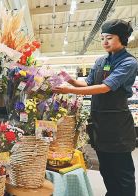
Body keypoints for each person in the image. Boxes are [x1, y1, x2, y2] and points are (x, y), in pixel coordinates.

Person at [53, 19, 137, 196]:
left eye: (109, 38)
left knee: (122, 171)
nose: (105, 42)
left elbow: (105, 87)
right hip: (100, 123)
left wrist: (70, 90)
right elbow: (88, 83)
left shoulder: (129, 63)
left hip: (118, 126)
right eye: (102, 38)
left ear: (122, 38)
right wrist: (68, 78)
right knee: (106, 168)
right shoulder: (100, 61)